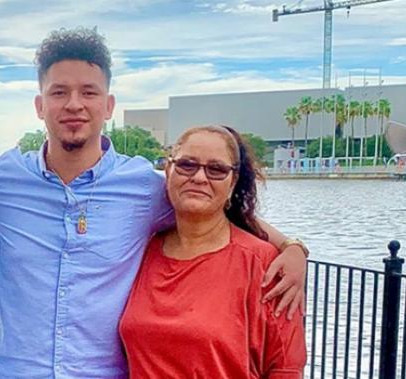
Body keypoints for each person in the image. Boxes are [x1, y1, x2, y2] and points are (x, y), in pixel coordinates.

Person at [0, 28, 308, 378]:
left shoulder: (144, 187)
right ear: (40, 106)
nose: (74, 104)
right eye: (59, 92)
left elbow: (211, 205)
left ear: (108, 105)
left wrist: (292, 248)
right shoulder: (3, 180)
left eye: (88, 92)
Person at [119, 125, 306, 378]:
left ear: (233, 182)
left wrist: (293, 247)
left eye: (216, 169)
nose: (199, 178)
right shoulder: (143, 250)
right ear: (168, 171)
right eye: (187, 165)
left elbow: (286, 367)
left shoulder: (263, 265)